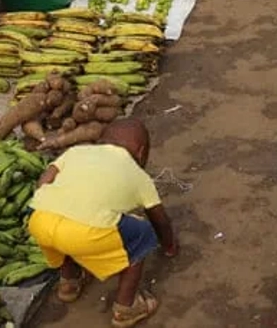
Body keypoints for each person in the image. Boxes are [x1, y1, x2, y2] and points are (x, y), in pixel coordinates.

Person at [29, 118, 176, 325]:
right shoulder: (139, 176)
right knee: (143, 233)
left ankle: (69, 284)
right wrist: (169, 246)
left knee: (66, 231)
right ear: (141, 152)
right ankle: (126, 307)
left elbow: (44, 181)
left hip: (40, 220)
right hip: (84, 233)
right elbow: (159, 219)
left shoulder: (77, 152)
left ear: (101, 139)